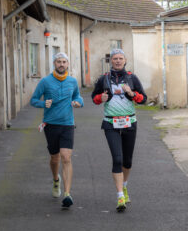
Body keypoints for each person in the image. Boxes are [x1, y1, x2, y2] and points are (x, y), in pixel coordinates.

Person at [91, 48, 147, 212]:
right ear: (110, 61)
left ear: (125, 60)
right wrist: (100, 98)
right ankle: (119, 196)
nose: (117, 61)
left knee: (127, 161)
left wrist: (131, 93)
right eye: (114, 58)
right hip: (110, 124)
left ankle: (124, 186)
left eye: (120, 58)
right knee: (117, 159)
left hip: (129, 123)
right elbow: (94, 98)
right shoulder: (104, 79)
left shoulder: (131, 78)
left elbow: (143, 99)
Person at [30, 52, 84, 209]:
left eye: (64, 62)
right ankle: (56, 180)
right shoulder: (45, 82)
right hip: (51, 124)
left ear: (68, 64)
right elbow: (33, 100)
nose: (61, 64)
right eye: (59, 61)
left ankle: (67, 194)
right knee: (55, 158)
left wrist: (78, 103)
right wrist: (43, 104)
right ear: (54, 63)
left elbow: (78, 97)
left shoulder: (73, 81)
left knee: (66, 157)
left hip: (68, 124)